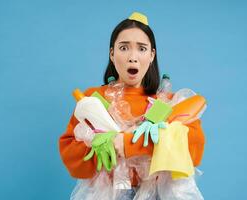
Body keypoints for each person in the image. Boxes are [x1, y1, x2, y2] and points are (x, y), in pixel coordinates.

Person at [59, 12, 206, 200]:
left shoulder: (167, 103)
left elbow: (193, 150)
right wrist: (100, 150)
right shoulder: (94, 100)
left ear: (152, 55)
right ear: (112, 54)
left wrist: (129, 145)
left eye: (142, 49)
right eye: (124, 48)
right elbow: (70, 154)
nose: (132, 57)